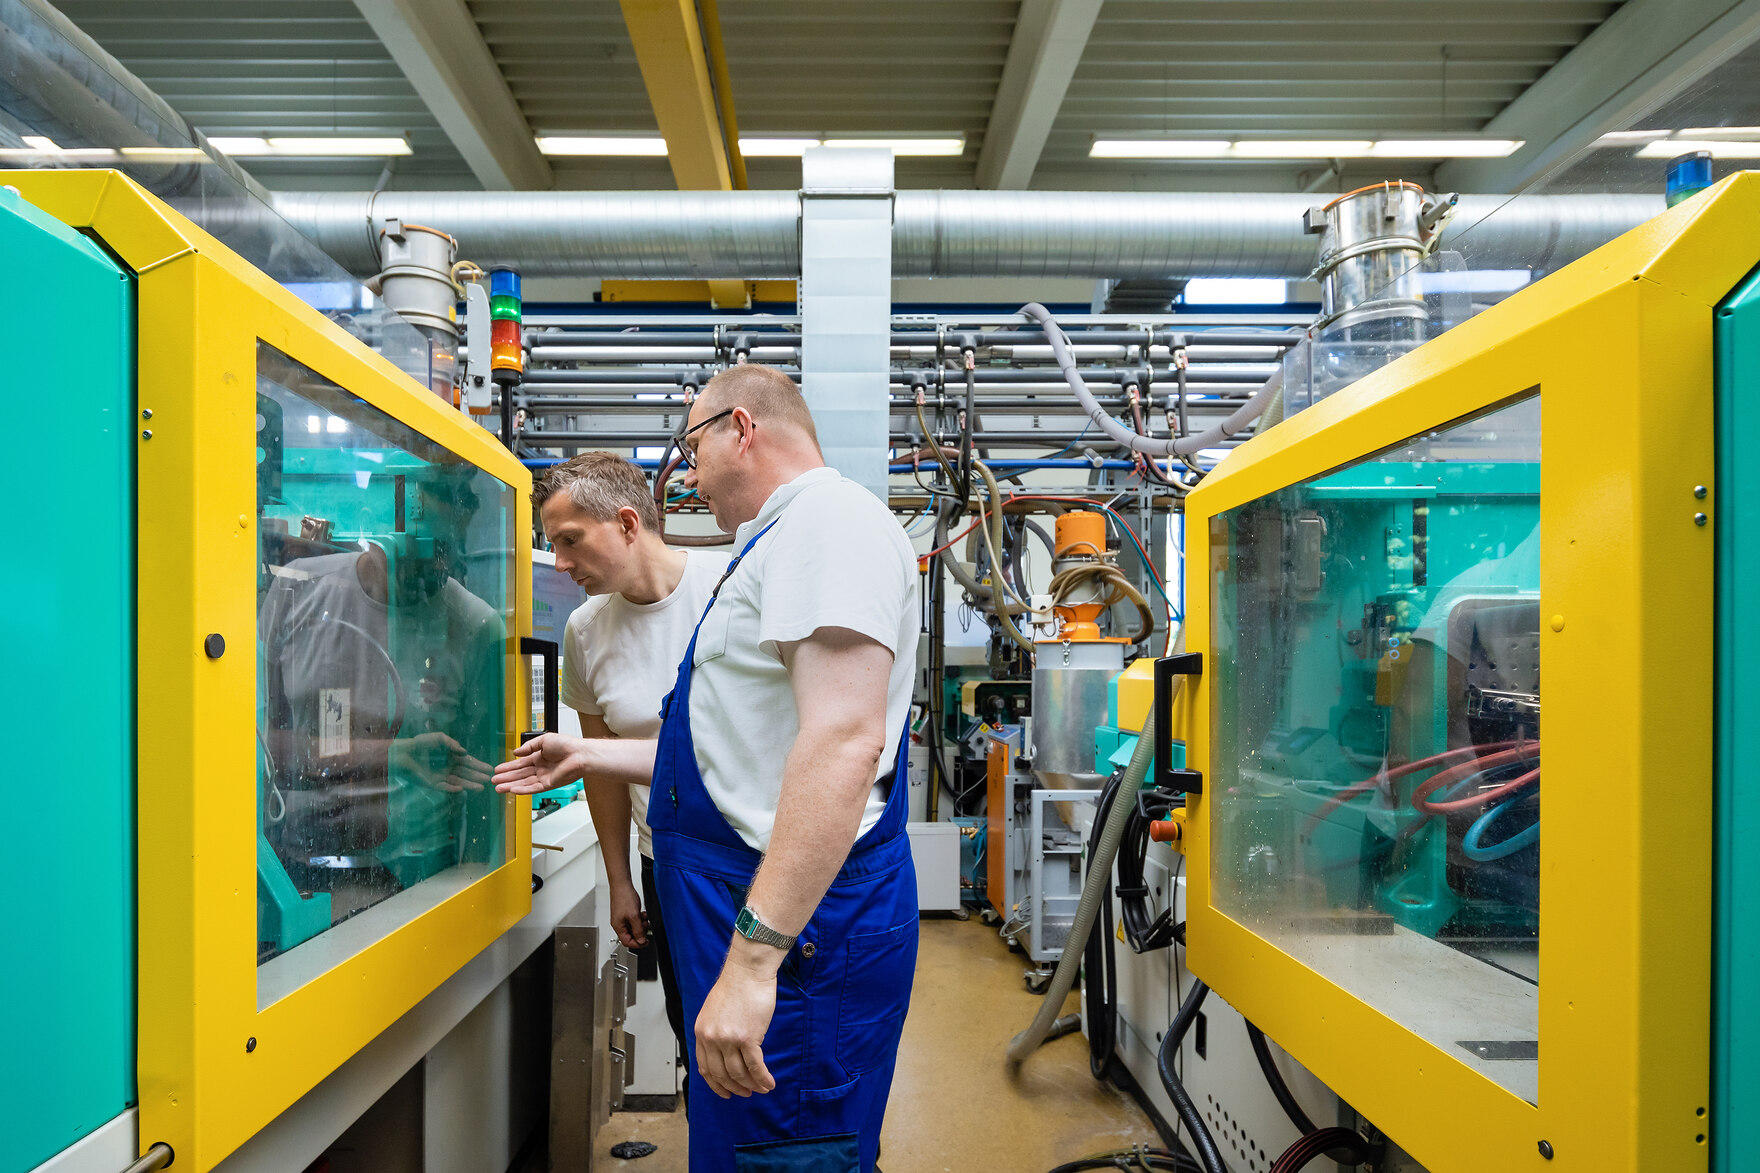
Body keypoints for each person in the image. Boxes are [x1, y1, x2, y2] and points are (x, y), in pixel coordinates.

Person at [495, 365, 920, 1173]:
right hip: (759, 912)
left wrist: (755, 959)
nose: (687, 475)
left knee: (787, 1148)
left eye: (693, 449)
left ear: (742, 429)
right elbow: (735, 751)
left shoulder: (828, 524)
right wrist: (587, 751)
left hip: (797, 941)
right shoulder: (778, 543)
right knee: (751, 1140)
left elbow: (842, 741)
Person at [532, 451, 730, 1091]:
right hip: (666, 860)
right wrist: (621, 880)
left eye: (569, 541)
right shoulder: (586, 632)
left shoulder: (730, 592)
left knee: (775, 1040)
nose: (560, 564)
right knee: (695, 1033)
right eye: (551, 545)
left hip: (752, 853)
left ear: (625, 522)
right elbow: (605, 769)